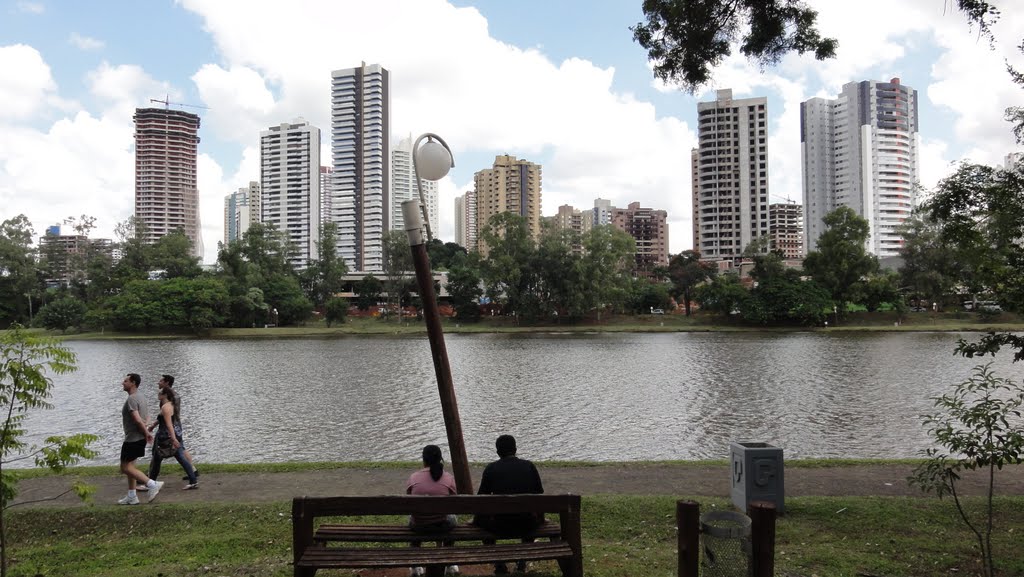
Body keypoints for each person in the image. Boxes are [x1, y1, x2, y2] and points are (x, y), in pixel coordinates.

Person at [475, 434, 544, 575]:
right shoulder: (529, 466)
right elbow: (539, 495)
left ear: (497, 452)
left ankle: (499, 563)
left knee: (480, 522)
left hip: (499, 525)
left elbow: (482, 500)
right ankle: (522, 562)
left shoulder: (491, 469)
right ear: (515, 449)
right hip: (527, 524)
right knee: (530, 515)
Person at [405, 445, 458, 577]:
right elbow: (454, 502)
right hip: (442, 525)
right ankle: (450, 563)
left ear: (424, 460)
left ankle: (415, 566)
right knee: (452, 517)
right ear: (440, 459)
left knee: (413, 517)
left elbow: (409, 499)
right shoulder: (448, 478)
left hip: (419, 526)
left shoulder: (413, 478)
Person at [118, 373, 164, 505]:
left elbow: (137, 419)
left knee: (125, 467)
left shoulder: (132, 399)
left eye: (126, 381)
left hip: (132, 439)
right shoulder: (141, 397)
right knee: (131, 466)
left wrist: (146, 433)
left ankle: (151, 484)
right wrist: (146, 431)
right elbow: (147, 417)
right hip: (139, 438)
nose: (123, 383)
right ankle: (132, 496)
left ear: (133, 383)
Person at [147, 386, 199, 489]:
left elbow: (169, 424)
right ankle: (193, 480)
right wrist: (153, 426)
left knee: (157, 458)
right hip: (174, 433)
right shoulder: (171, 405)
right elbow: (162, 419)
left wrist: (173, 438)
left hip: (166, 436)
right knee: (180, 457)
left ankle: (151, 483)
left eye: (160, 393)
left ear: (165, 395)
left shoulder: (165, 407)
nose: (158, 394)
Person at [155, 374, 199, 481]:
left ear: (166, 383)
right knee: (181, 448)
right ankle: (193, 470)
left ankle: (151, 476)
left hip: (169, 426)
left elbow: (166, 414)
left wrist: (156, 424)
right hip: (176, 425)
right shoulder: (175, 395)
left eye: (161, 381)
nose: (158, 382)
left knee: (177, 450)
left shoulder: (168, 397)